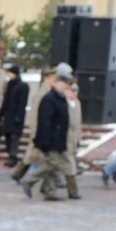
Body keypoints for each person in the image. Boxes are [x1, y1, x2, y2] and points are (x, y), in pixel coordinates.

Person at [23, 69, 79, 202]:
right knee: (53, 164)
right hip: (50, 139)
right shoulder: (49, 99)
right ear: (57, 83)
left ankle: (50, 192)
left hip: (59, 139)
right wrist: (44, 139)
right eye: (64, 84)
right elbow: (45, 121)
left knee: (55, 166)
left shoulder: (61, 99)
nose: (66, 87)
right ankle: (29, 180)